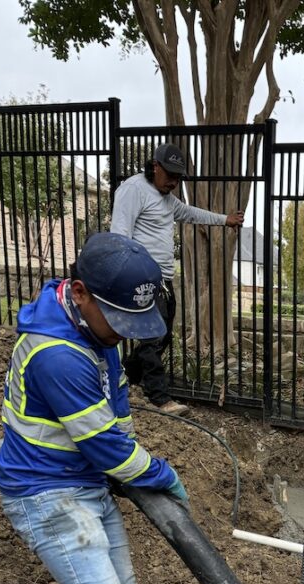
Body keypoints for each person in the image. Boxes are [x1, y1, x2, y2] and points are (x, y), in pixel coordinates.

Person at [0, 233, 190, 584]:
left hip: (85, 483)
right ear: (79, 292)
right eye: (118, 321)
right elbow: (104, 446)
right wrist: (158, 473)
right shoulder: (57, 355)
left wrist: (130, 460)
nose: (123, 335)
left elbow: (116, 408)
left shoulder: (93, 326)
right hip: (45, 490)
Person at [110, 143, 245, 417]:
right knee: (153, 337)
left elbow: (192, 213)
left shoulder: (167, 200)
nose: (173, 181)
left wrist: (225, 220)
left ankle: (122, 377)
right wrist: (126, 274)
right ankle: (159, 398)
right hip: (142, 278)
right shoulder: (134, 190)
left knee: (164, 337)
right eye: (169, 174)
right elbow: (120, 234)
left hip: (163, 279)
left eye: (178, 177)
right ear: (155, 166)